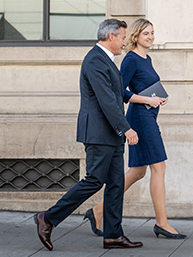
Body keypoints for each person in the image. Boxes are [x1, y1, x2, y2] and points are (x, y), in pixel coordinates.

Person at [34, 19, 142, 251]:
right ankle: (48, 218)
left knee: (116, 183)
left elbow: (116, 94)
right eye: (123, 37)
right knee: (94, 180)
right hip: (99, 132)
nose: (125, 42)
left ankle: (113, 235)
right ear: (111, 36)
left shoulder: (106, 60)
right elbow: (106, 100)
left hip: (111, 134)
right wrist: (127, 127)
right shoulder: (94, 60)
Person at [84, 18, 185, 240]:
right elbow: (118, 90)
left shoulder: (146, 59)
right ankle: (162, 223)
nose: (150, 37)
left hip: (149, 114)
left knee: (138, 171)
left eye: (152, 33)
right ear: (136, 36)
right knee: (159, 168)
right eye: (146, 33)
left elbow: (141, 86)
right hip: (140, 118)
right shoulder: (130, 59)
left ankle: (97, 211)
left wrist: (156, 98)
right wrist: (145, 100)